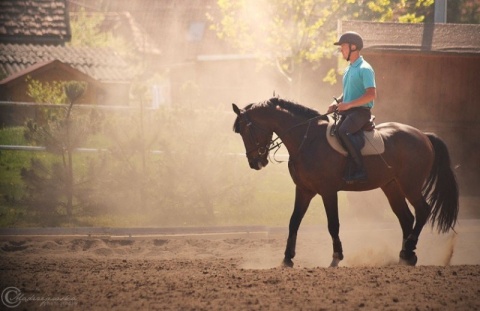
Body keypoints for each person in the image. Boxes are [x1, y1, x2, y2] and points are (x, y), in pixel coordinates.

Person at [326, 31, 376, 184]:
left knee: (343, 131)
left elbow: (371, 94)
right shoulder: (349, 69)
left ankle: (360, 169)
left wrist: (348, 105)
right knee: (333, 131)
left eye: (343, 46)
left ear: (354, 47)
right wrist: (338, 102)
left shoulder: (365, 68)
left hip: (361, 112)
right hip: (349, 112)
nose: (341, 49)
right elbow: (348, 91)